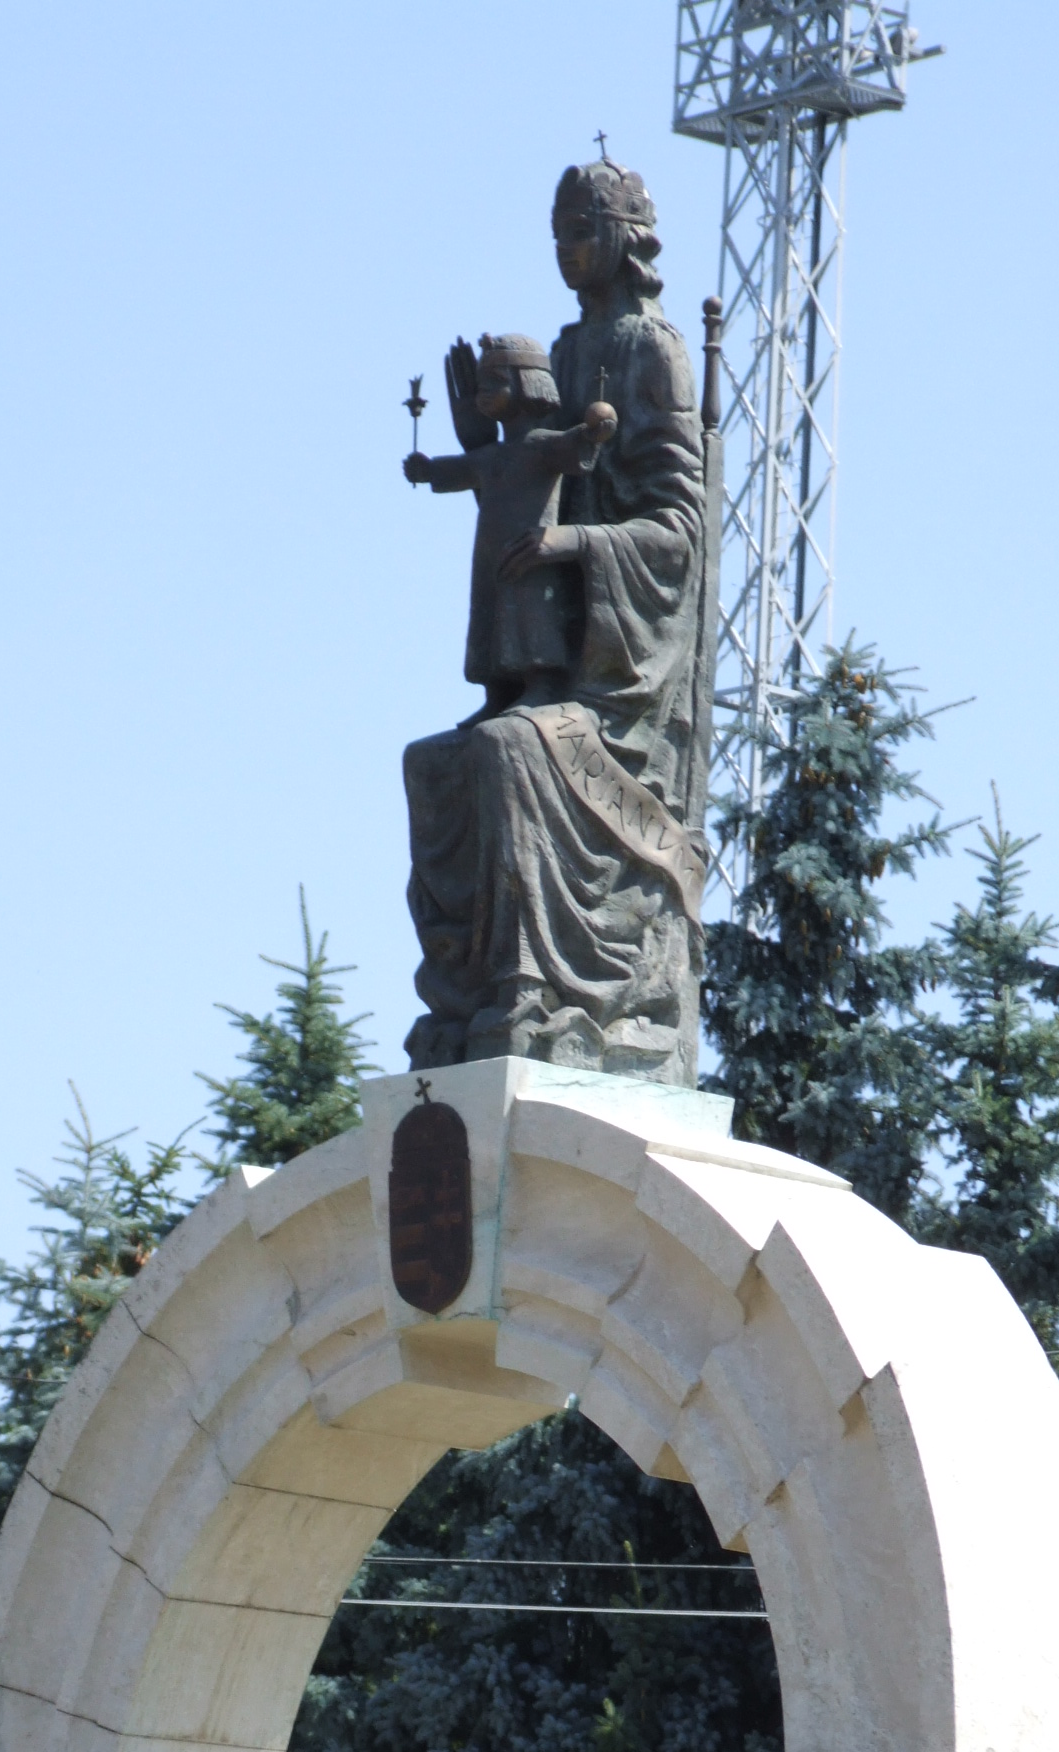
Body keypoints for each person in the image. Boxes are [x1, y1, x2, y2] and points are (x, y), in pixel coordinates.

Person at [402, 161, 711, 1085]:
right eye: (557, 233)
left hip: (620, 674)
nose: (567, 249)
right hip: (545, 648)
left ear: (626, 236)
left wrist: (574, 542)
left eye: (583, 230)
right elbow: (525, 476)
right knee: (435, 764)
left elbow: (679, 532)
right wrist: (484, 445)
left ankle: (537, 994)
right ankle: (465, 1005)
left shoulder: (654, 349)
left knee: (510, 751)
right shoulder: (566, 348)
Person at [403, 332, 616, 722]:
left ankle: (541, 682)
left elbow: (576, 448)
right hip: (489, 551)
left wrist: (594, 431)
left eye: (494, 383)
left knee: (530, 611)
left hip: (528, 550)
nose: (482, 393)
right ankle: (496, 693)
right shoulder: (491, 456)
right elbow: (458, 470)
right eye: (481, 385)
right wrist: (426, 469)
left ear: (527, 385)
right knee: (488, 612)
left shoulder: (541, 446)